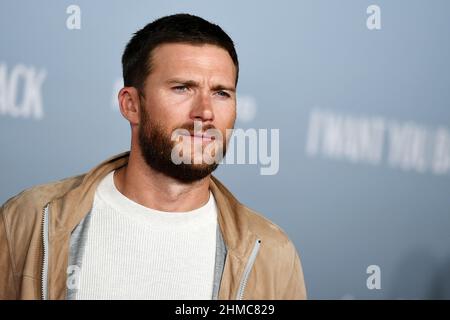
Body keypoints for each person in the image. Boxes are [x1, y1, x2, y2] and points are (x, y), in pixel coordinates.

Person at [0, 13, 306, 300]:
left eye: (221, 92)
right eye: (183, 88)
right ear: (131, 105)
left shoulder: (271, 254)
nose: (206, 112)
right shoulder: (28, 219)